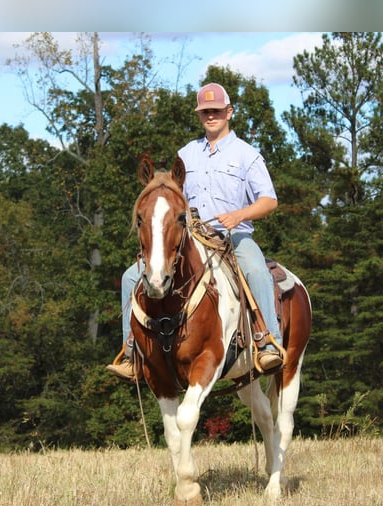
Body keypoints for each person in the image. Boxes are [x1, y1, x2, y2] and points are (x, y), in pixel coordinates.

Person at [106, 82, 283, 379]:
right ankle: (131, 351)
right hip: (191, 235)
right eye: (205, 112)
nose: (210, 116)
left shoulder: (246, 154)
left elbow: (269, 201)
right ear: (199, 115)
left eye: (216, 111)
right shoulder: (186, 154)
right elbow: (172, 195)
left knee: (255, 269)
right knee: (129, 277)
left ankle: (268, 343)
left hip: (233, 236)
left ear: (229, 112)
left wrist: (239, 215)